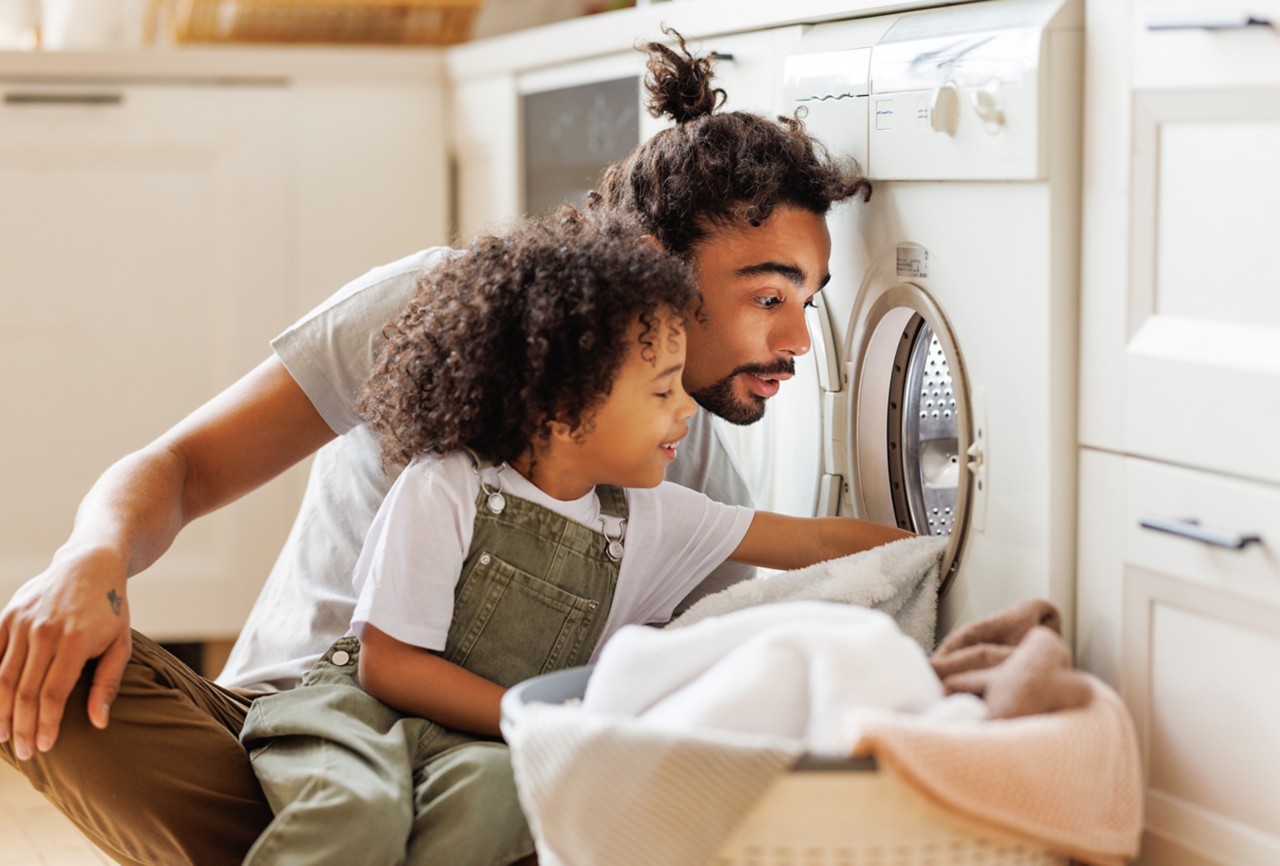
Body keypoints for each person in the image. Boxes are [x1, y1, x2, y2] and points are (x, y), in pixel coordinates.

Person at [0, 29, 873, 866]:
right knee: (33, 664)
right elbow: (185, 468)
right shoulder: (437, 312)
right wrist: (92, 557)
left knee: (530, 806)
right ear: (658, 263)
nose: (799, 340)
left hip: (473, 772)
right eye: (768, 297)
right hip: (294, 733)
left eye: (813, 300)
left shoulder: (686, 470)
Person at [237, 207, 909, 866]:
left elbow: (813, 541)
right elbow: (388, 663)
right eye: (662, 390)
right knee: (359, 809)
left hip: (476, 741)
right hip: (358, 716)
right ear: (563, 409)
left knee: (499, 798)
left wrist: (938, 549)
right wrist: (536, 717)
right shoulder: (446, 486)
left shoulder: (651, 511)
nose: (686, 411)